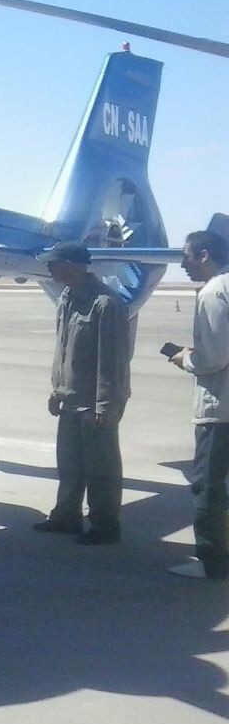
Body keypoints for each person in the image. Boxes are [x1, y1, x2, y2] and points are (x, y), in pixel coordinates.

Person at [34, 241, 131, 545]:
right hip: (70, 398)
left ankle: (105, 525)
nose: (49, 268)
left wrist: (106, 404)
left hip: (94, 402)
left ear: (71, 265)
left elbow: (113, 360)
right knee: (69, 465)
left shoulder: (105, 303)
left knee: (101, 469)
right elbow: (64, 349)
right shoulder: (66, 298)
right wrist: (57, 390)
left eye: (53, 263)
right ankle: (66, 517)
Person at [165, 230, 229, 581]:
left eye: (186, 256)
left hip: (220, 410)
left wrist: (186, 358)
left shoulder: (214, 291)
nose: (183, 264)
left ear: (204, 255)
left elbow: (214, 357)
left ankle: (212, 562)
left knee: (208, 485)